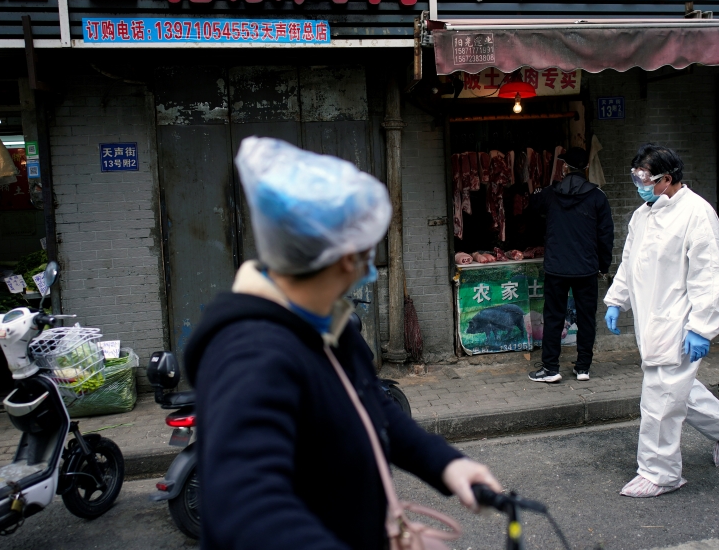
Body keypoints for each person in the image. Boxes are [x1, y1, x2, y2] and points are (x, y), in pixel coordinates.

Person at [184, 137, 502, 549]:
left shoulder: (332, 325)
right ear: (347, 256)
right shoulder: (250, 355)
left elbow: (373, 406)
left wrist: (446, 464)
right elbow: (247, 516)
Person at [604, 144, 719, 498]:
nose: (637, 184)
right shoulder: (643, 214)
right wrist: (616, 300)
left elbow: (709, 275)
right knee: (672, 388)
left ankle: (660, 473)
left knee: (660, 398)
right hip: (652, 319)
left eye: (643, 178)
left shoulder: (696, 213)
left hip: (679, 321)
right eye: (635, 176)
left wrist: (701, 326)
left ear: (666, 179)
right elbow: (629, 261)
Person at [527, 147, 614, 383]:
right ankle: (583, 367)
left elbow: (532, 205)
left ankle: (550, 368)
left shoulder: (550, 194)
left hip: (556, 268)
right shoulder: (598, 197)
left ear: (564, 167)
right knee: (586, 317)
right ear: (586, 168)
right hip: (586, 269)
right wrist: (603, 266)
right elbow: (606, 235)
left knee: (554, 316)